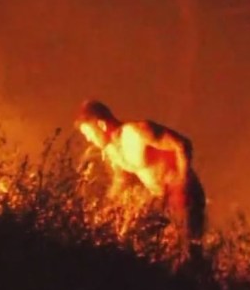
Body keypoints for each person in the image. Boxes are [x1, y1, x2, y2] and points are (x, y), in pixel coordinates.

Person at [75, 99, 206, 246]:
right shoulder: (112, 151)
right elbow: (121, 179)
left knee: (187, 247)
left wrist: (182, 182)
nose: (88, 139)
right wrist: (107, 208)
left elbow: (182, 144)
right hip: (161, 200)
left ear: (101, 125)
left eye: (88, 132)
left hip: (184, 197)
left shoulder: (137, 133)